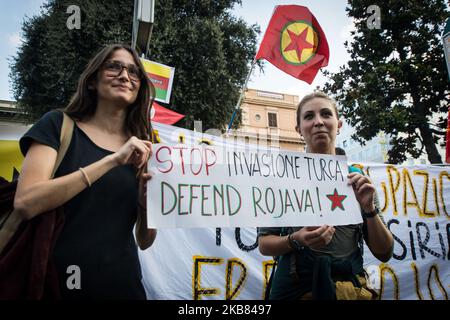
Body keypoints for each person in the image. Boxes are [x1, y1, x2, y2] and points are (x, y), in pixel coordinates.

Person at [14, 44, 156, 299]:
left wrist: (148, 204)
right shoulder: (57, 125)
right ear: (92, 81)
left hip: (123, 288)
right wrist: (112, 161)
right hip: (55, 286)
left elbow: (145, 241)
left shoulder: (144, 150)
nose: (125, 76)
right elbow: (26, 202)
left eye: (134, 72)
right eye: (114, 66)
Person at [258, 92, 394, 300]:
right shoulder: (280, 179)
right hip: (294, 290)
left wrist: (369, 210)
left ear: (338, 124)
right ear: (299, 129)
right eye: (309, 116)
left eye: (326, 114)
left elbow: (385, 253)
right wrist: (297, 239)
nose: (318, 122)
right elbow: (265, 244)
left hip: (350, 289)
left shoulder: (357, 180)